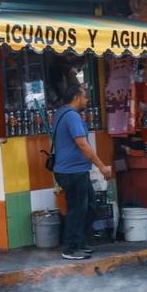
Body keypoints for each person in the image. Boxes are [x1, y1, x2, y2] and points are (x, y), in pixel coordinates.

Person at [53, 85, 112, 260]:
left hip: (76, 170)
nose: (87, 101)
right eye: (85, 97)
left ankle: (79, 242)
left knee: (90, 206)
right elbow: (82, 144)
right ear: (77, 97)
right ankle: (70, 248)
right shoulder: (71, 116)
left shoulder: (61, 113)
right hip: (72, 172)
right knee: (77, 209)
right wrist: (101, 166)